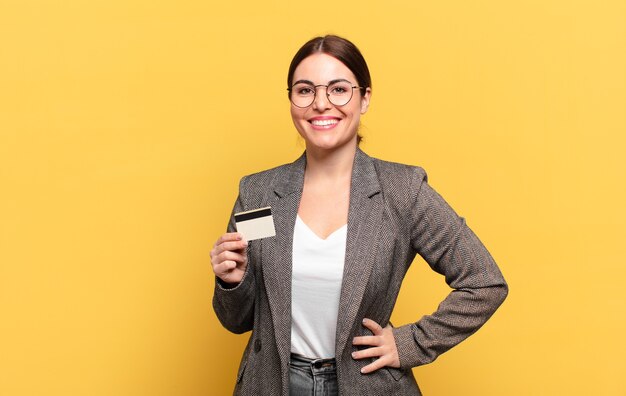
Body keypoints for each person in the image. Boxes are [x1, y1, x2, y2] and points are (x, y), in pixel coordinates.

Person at [210, 35, 508, 396]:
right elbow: (236, 321)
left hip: (368, 384)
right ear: (291, 100)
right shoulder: (258, 194)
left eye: (338, 89)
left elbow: (484, 282)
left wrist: (409, 343)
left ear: (364, 98)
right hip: (273, 384)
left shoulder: (403, 190)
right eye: (305, 90)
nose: (321, 104)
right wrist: (233, 282)